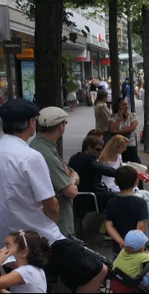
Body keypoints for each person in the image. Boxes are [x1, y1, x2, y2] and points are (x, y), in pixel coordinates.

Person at [0, 98, 108, 293]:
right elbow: (51, 205)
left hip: (6, 241)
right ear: (31, 123)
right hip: (42, 237)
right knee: (98, 270)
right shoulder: (30, 156)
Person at [29, 107, 79, 237]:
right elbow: (71, 191)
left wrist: (70, 175)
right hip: (57, 224)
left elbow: (71, 171)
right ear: (61, 127)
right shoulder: (46, 153)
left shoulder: (40, 145)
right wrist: (72, 180)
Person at [104, 166, 149, 262]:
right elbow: (141, 227)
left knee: (118, 272)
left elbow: (108, 225)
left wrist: (121, 242)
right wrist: (132, 244)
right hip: (137, 248)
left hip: (118, 248)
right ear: (136, 182)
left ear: (115, 182)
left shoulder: (112, 202)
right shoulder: (140, 202)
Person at [69, 135, 117, 213]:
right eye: (98, 149)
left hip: (81, 195)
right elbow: (102, 169)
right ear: (89, 147)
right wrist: (121, 173)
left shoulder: (75, 157)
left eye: (101, 149)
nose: (100, 152)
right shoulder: (88, 159)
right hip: (88, 196)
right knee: (116, 198)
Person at [109, 97, 141, 165]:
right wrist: (120, 118)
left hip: (130, 144)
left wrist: (118, 132)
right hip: (118, 146)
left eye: (126, 104)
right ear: (118, 107)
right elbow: (112, 128)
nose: (126, 106)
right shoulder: (114, 117)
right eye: (123, 105)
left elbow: (132, 127)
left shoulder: (132, 115)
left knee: (134, 164)